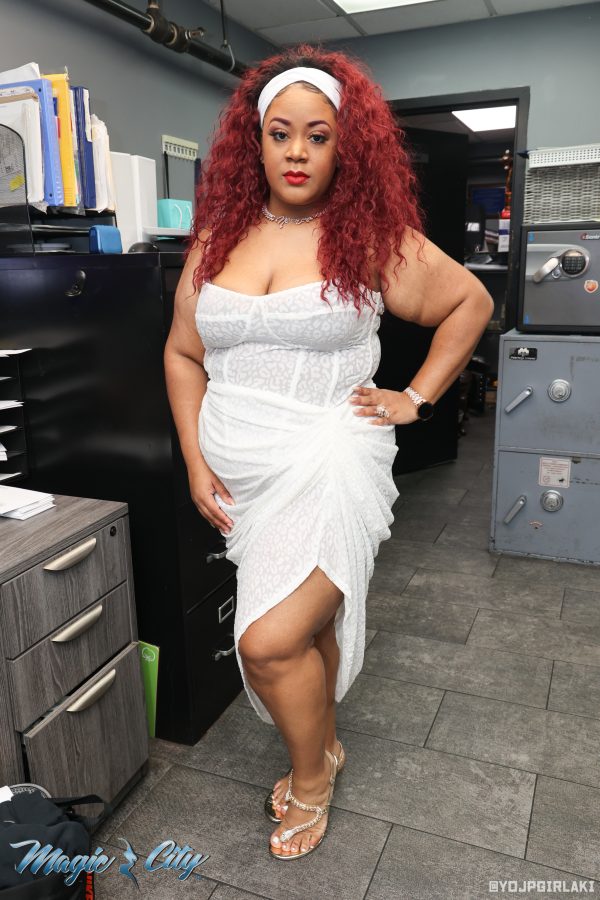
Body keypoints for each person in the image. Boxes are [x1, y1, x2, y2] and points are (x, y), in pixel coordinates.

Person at [164, 43, 494, 861]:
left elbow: (469, 302)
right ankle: (326, 744)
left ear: (346, 145)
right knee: (302, 636)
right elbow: (183, 354)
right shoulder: (215, 239)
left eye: (318, 135)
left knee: (267, 641)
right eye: (281, 134)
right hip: (244, 480)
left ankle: (312, 778)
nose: (298, 152)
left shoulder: (369, 238)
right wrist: (197, 461)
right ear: (256, 143)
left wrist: (415, 398)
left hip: (329, 463)